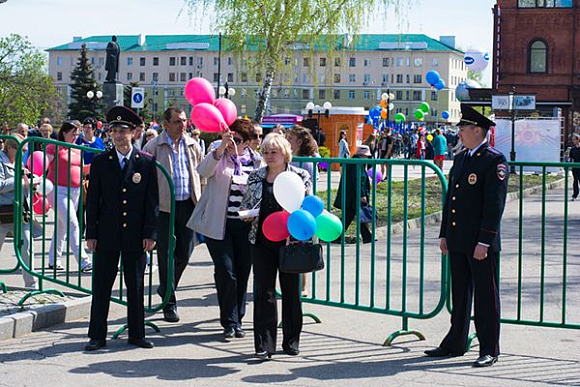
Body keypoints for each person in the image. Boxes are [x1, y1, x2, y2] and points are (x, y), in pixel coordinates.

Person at [425, 103, 509, 368]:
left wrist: (484, 241)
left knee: (485, 296)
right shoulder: (461, 158)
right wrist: (444, 234)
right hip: (458, 238)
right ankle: (455, 342)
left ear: (476, 130)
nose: (459, 131)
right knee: (459, 294)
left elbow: (494, 205)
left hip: (479, 242)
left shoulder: (494, 160)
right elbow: (451, 199)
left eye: (463, 127)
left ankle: (489, 348)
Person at [84, 105, 159, 351]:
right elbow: (93, 201)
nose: (117, 135)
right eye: (114, 130)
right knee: (102, 286)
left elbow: (152, 202)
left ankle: (137, 334)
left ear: (134, 133)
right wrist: (91, 233)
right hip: (107, 233)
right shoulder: (101, 162)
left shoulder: (145, 162)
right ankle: (97, 335)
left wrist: (150, 232)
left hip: (135, 235)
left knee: (135, 285)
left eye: (122, 131)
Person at [240, 133, 312, 359]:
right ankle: (264, 344)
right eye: (266, 152)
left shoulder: (300, 175)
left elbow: (308, 206)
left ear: (285, 153)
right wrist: (247, 215)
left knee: (291, 291)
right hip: (261, 241)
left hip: (291, 242)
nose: (269, 156)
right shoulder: (256, 177)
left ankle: (291, 341)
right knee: (264, 293)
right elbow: (247, 204)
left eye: (274, 152)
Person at [188, 119, 260, 341]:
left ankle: (237, 319)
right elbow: (203, 170)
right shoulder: (217, 153)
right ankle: (228, 322)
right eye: (229, 137)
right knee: (226, 272)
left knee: (241, 272)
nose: (231, 143)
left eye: (237, 140)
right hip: (218, 224)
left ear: (247, 143)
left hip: (245, 224)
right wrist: (220, 148)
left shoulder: (256, 161)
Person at [143, 107, 203, 323]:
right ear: (165, 123)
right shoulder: (154, 145)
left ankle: (166, 288)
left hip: (188, 204)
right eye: (178, 121)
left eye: (184, 121)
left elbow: (201, 174)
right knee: (166, 254)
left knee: (185, 253)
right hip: (165, 207)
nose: (183, 125)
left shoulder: (193, 145)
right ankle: (170, 302)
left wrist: (201, 199)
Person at [45, 121, 92, 272]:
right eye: (73, 133)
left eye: (77, 134)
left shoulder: (78, 149)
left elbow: (81, 169)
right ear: (64, 132)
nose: (75, 136)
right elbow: (44, 163)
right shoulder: (54, 147)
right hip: (57, 189)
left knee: (62, 227)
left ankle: (53, 260)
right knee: (73, 224)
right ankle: (84, 262)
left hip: (75, 191)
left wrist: (93, 166)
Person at [0, 134, 37, 289]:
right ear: (9, 147)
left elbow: (22, 184)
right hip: (3, 212)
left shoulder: (18, 161)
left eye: (25, 150)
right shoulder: (1, 162)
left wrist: (32, 182)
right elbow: (1, 185)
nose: (23, 152)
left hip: (21, 212)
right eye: (20, 149)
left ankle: (32, 285)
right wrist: (19, 179)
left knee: (27, 245)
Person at [286, 125, 318, 297]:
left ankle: (303, 288)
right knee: (290, 248)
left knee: (300, 248)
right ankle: (291, 285)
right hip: (288, 207)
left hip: (302, 209)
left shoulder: (307, 161)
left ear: (299, 141)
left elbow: (310, 186)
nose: (287, 140)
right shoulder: (289, 158)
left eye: (290, 138)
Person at [333, 145, 373, 244]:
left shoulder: (354, 162)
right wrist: (362, 194)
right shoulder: (357, 164)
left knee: (359, 215)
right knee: (349, 216)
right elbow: (358, 179)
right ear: (363, 156)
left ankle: (367, 237)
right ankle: (336, 236)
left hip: (351, 195)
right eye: (367, 157)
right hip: (353, 196)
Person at [570, 133, 580, 201]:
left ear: (578, 139)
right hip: (575, 168)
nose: (573, 141)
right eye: (572, 140)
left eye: (574, 139)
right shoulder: (572, 149)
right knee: (575, 181)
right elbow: (571, 158)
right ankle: (575, 195)